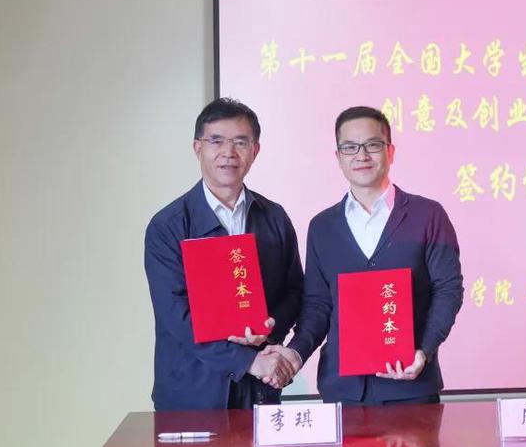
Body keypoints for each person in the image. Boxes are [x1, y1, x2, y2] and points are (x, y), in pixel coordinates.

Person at [273, 105, 464, 404]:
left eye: (372, 145)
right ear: (338, 157)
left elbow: (448, 289)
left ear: (390, 151)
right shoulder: (322, 226)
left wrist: (424, 350)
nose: (361, 156)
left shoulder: (428, 215)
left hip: (411, 388)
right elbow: (318, 305)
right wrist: (296, 352)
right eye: (350, 147)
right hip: (343, 391)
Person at [144, 97, 303, 410]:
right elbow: (175, 314)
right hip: (191, 393)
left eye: (240, 142)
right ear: (197, 148)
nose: (228, 152)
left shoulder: (274, 217)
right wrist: (247, 361)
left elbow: (295, 291)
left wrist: (268, 330)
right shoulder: (169, 225)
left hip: (258, 390)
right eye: (216, 141)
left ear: (255, 151)